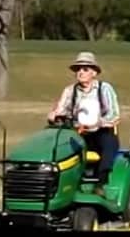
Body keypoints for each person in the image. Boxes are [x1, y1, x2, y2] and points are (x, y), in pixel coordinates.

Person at [47, 51, 121, 194]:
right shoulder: (70, 91)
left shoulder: (104, 89)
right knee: (59, 145)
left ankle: (101, 183)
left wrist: (98, 123)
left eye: (85, 69)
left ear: (94, 73)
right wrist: (54, 115)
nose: (81, 72)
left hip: (101, 131)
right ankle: (60, 182)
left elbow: (114, 114)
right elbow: (61, 110)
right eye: (78, 69)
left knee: (109, 143)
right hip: (77, 132)